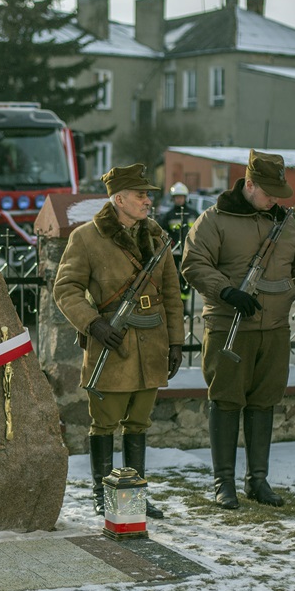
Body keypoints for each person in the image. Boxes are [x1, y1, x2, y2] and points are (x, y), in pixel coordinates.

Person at [182, 150, 295, 510]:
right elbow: (194, 263)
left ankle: (258, 480)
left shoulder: (286, 223)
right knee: (227, 402)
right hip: (230, 325)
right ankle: (223, 483)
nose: (275, 199)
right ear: (249, 184)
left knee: (264, 402)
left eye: (279, 191)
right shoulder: (215, 220)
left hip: (275, 329)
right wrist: (226, 291)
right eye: (268, 191)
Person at [53, 163, 184, 518]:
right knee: (105, 422)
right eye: (141, 195)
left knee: (140, 422)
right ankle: (103, 492)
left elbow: (172, 292)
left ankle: (135, 494)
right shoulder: (86, 238)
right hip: (113, 343)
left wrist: (176, 343)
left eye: (147, 196)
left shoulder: (156, 238)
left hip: (152, 342)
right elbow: (65, 289)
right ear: (119, 198)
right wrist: (93, 324)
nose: (147, 202)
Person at [162, 182, 197, 310]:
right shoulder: (168, 215)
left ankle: (185, 307)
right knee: (174, 280)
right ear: (173, 198)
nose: (179, 199)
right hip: (175, 253)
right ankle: (177, 307)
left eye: (181, 197)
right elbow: (160, 231)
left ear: (185, 197)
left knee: (186, 280)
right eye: (176, 197)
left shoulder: (194, 214)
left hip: (190, 253)